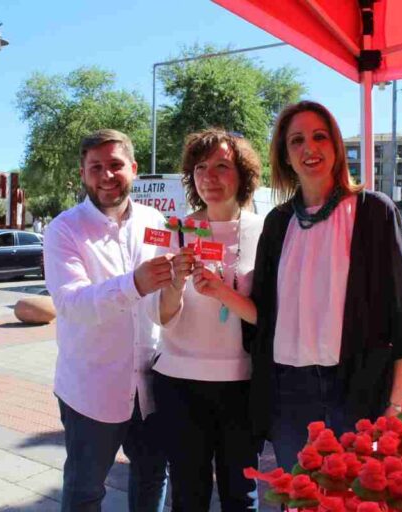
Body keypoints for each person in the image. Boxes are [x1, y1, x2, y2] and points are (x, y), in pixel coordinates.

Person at [244, 101, 402, 471]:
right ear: (285, 155)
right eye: (296, 141)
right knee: (298, 498)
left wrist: (399, 396)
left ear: (337, 146)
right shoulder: (278, 222)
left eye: (319, 137)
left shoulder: (375, 212)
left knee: (354, 496)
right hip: (289, 393)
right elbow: (263, 313)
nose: (309, 149)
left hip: (356, 389)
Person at [44, 129, 170, 512]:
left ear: (133, 168)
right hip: (91, 390)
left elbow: (166, 295)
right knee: (85, 491)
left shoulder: (155, 220)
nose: (107, 175)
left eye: (115, 165)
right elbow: (71, 302)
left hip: (151, 384)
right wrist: (134, 284)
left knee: (151, 478)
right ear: (83, 174)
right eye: (96, 167)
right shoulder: (64, 229)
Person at [151, 129, 264, 511]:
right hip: (179, 384)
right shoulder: (177, 231)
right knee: (188, 494)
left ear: (243, 175)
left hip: (242, 386)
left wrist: (223, 293)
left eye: (222, 166)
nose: (209, 177)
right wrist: (176, 284)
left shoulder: (264, 231)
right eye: (201, 167)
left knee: (240, 495)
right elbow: (163, 317)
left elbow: (269, 318)